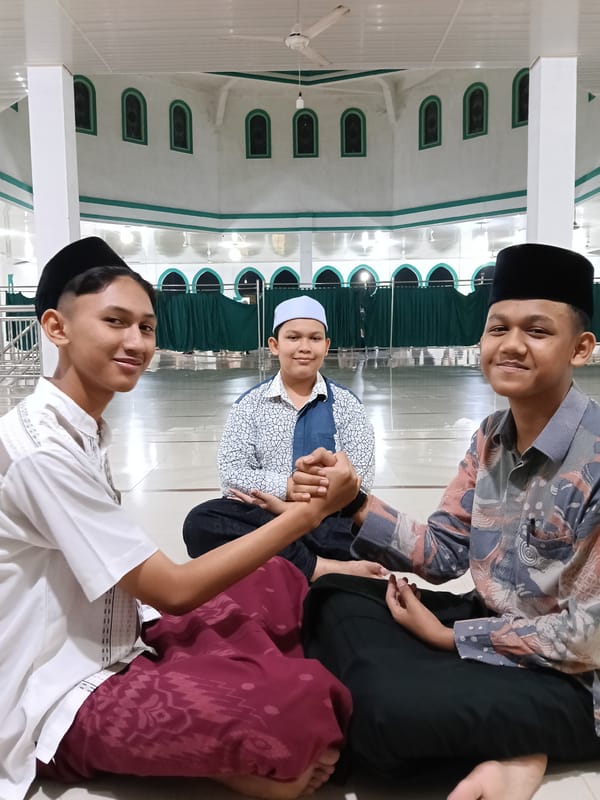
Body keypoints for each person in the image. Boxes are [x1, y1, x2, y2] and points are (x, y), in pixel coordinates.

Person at [0, 237, 356, 800]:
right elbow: (175, 590)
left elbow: (362, 465)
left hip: (121, 632)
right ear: (56, 327)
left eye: (145, 327)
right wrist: (309, 511)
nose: (135, 341)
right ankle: (231, 746)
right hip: (58, 686)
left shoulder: (81, 426)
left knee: (275, 577)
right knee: (293, 704)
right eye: (115, 321)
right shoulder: (44, 449)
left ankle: (237, 688)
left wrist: (317, 499)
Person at [295, 243, 600, 800]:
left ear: (580, 348)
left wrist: (450, 637)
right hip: (495, 628)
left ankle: (519, 747)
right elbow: (444, 555)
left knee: (388, 714)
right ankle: (503, 733)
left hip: (577, 682)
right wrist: (354, 501)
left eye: (536, 331)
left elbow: (591, 638)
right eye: (497, 328)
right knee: (336, 594)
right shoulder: (490, 436)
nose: (510, 345)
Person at [183, 295, 386, 582]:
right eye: (293, 337)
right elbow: (232, 474)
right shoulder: (249, 405)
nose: (304, 347)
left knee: (369, 534)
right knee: (200, 522)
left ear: (326, 346)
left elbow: (358, 483)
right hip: (264, 519)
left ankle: (288, 562)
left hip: (325, 521)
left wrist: (294, 510)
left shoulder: (348, 406)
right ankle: (320, 567)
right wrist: (288, 488)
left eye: (315, 338)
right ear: (275, 345)